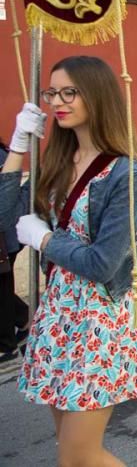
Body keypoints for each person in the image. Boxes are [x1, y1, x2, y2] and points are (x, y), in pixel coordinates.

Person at [0, 56, 137, 466]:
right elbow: (6, 221)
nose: (58, 101)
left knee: (77, 456)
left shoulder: (128, 174)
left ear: (97, 95)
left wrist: (47, 239)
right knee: (71, 454)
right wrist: (18, 147)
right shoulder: (55, 160)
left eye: (70, 91)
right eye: (52, 92)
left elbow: (103, 263)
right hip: (58, 315)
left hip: (99, 320)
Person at [0, 137, 29, 363]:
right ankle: (24, 319)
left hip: (5, 234)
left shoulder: (2, 155)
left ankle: (6, 344)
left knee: (2, 287)